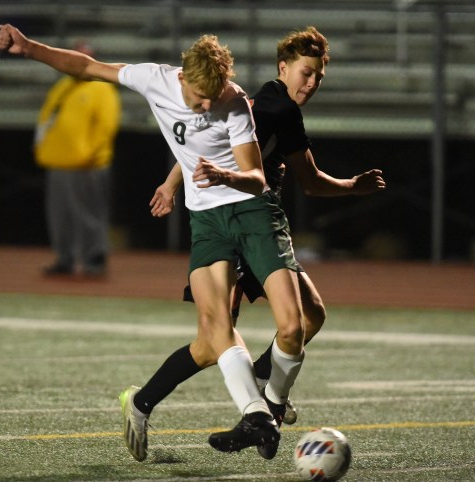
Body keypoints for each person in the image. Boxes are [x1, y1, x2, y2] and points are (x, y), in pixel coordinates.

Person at [0, 24, 305, 463]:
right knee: (215, 329)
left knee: (294, 325)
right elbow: (86, 66)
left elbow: (256, 178)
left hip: (253, 213)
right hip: (208, 223)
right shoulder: (154, 79)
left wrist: (224, 175)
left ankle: (266, 402)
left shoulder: (233, 101)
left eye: (212, 98)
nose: (205, 105)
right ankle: (256, 413)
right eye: (199, 96)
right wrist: (29, 49)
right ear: (181, 78)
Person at [150, 26, 386, 425]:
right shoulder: (281, 110)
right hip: (244, 225)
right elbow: (310, 182)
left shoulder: (258, 100)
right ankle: (154, 401)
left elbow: (202, 145)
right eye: (305, 74)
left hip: (251, 221)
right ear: (284, 67)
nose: (311, 84)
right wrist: (353, 186)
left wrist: (171, 184)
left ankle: (259, 383)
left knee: (286, 322)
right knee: (221, 340)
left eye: (318, 77)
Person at [35, 40, 121, 277]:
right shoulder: (63, 85)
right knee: (60, 215)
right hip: (59, 161)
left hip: (87, 165)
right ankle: (65, 258)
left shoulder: (102, 88)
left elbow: (106, 127)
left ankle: (94, 259)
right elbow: (47, 117)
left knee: (88, 214)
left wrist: (91, 155)